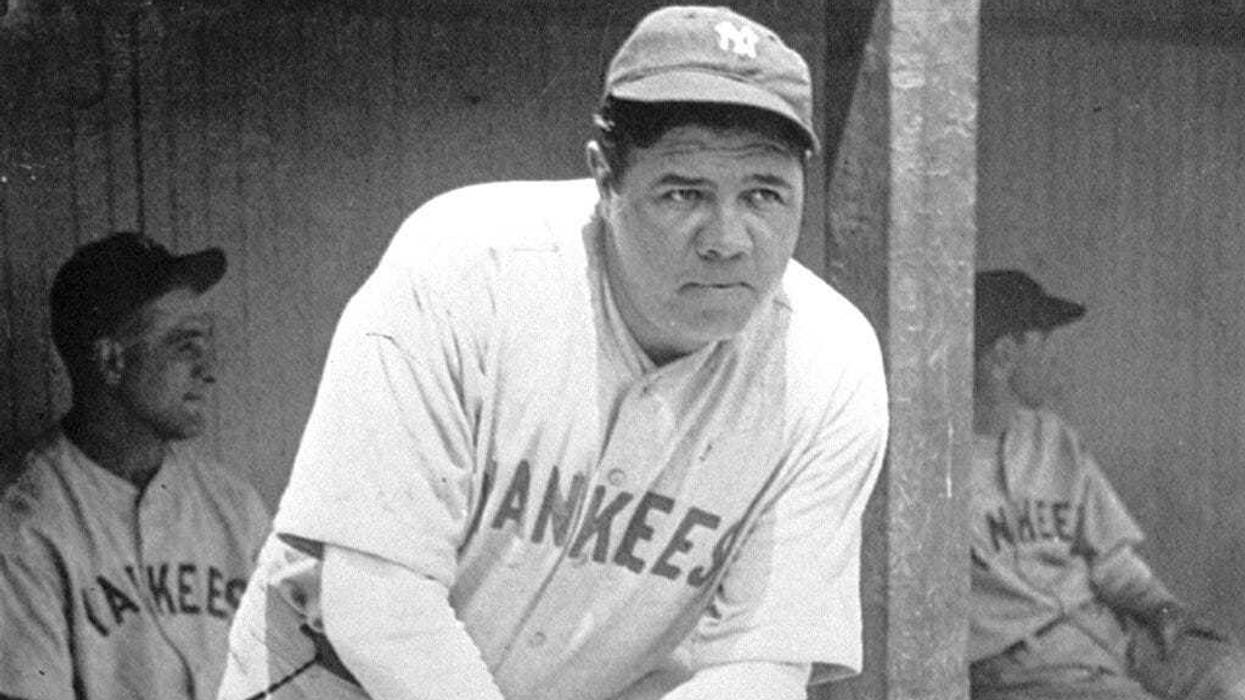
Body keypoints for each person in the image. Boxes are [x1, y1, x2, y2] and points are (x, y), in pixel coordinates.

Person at [218, 5, 889, 700]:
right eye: (683, 192)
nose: (728, 238)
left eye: (764, 194)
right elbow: (378, 601)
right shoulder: (466, 270)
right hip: (334, 676)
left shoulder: (827, 365)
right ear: (604, 177)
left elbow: (761, 663)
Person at [0, 232, 271, 699]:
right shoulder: (25, 523)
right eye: (185, 345)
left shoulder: (233, 506)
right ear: (112, 361)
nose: (209, 369)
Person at [968, 268, 1245, 700]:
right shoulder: (935, 469)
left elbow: (1110, 559)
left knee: (1230, 679)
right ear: (1003, 356)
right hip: (1026, 668)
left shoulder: (1053, 438)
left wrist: (1161, 607)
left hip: (1112, 636)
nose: (1054, 359)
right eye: (1044, 342)